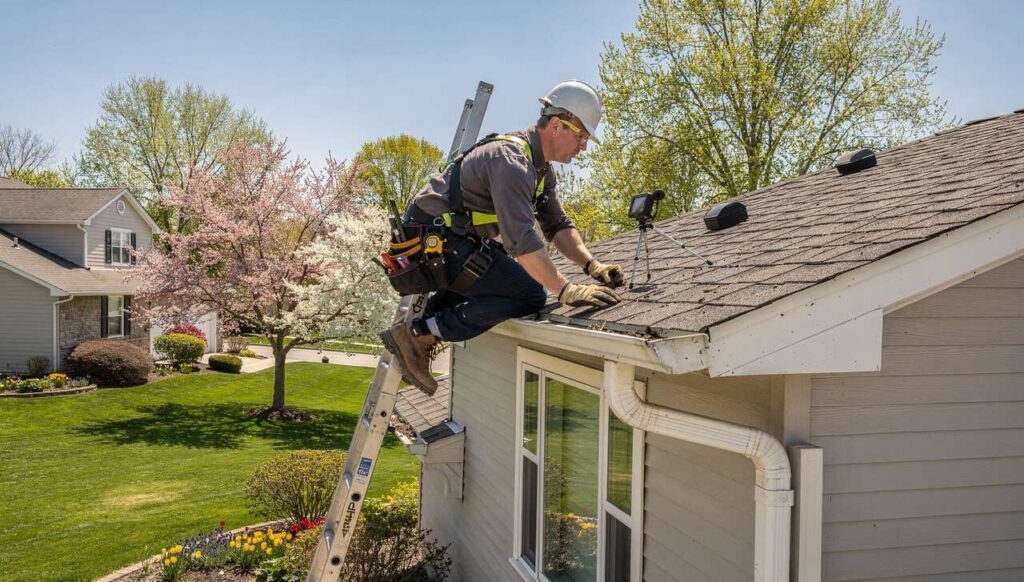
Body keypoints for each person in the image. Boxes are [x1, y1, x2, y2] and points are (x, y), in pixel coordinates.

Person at [380, 80, 624, 394]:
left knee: (497, 275)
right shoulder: (512, 161)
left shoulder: (540, 170)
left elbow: (557, 225)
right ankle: (419, 335)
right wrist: (565, 290)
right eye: (581, 136)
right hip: (434, 238)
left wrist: (593, 266)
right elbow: (521, 240)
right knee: (528, 293)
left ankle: (418, 329)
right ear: (555, 125)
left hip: (451, 238)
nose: (583, 146)